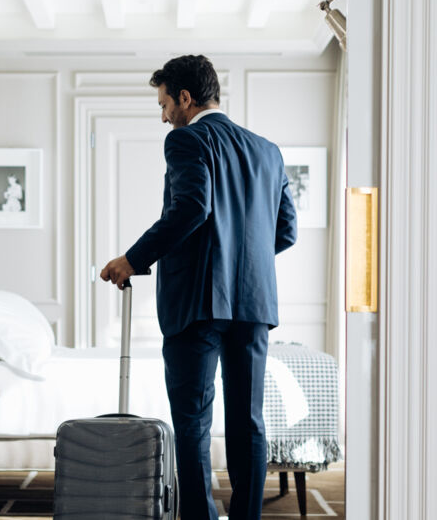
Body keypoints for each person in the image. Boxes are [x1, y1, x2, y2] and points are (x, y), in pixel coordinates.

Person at [100, 55, 298, 520]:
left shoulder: (186, 139)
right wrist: (241, 259)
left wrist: (131, 260)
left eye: (165, 103)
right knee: (248, 421)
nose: (163, 114)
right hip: (253, 304)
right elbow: (285, 230)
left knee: (192, 421)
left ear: (185, 98)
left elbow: (190, 208)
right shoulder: (267, 150)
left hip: (197, 305)